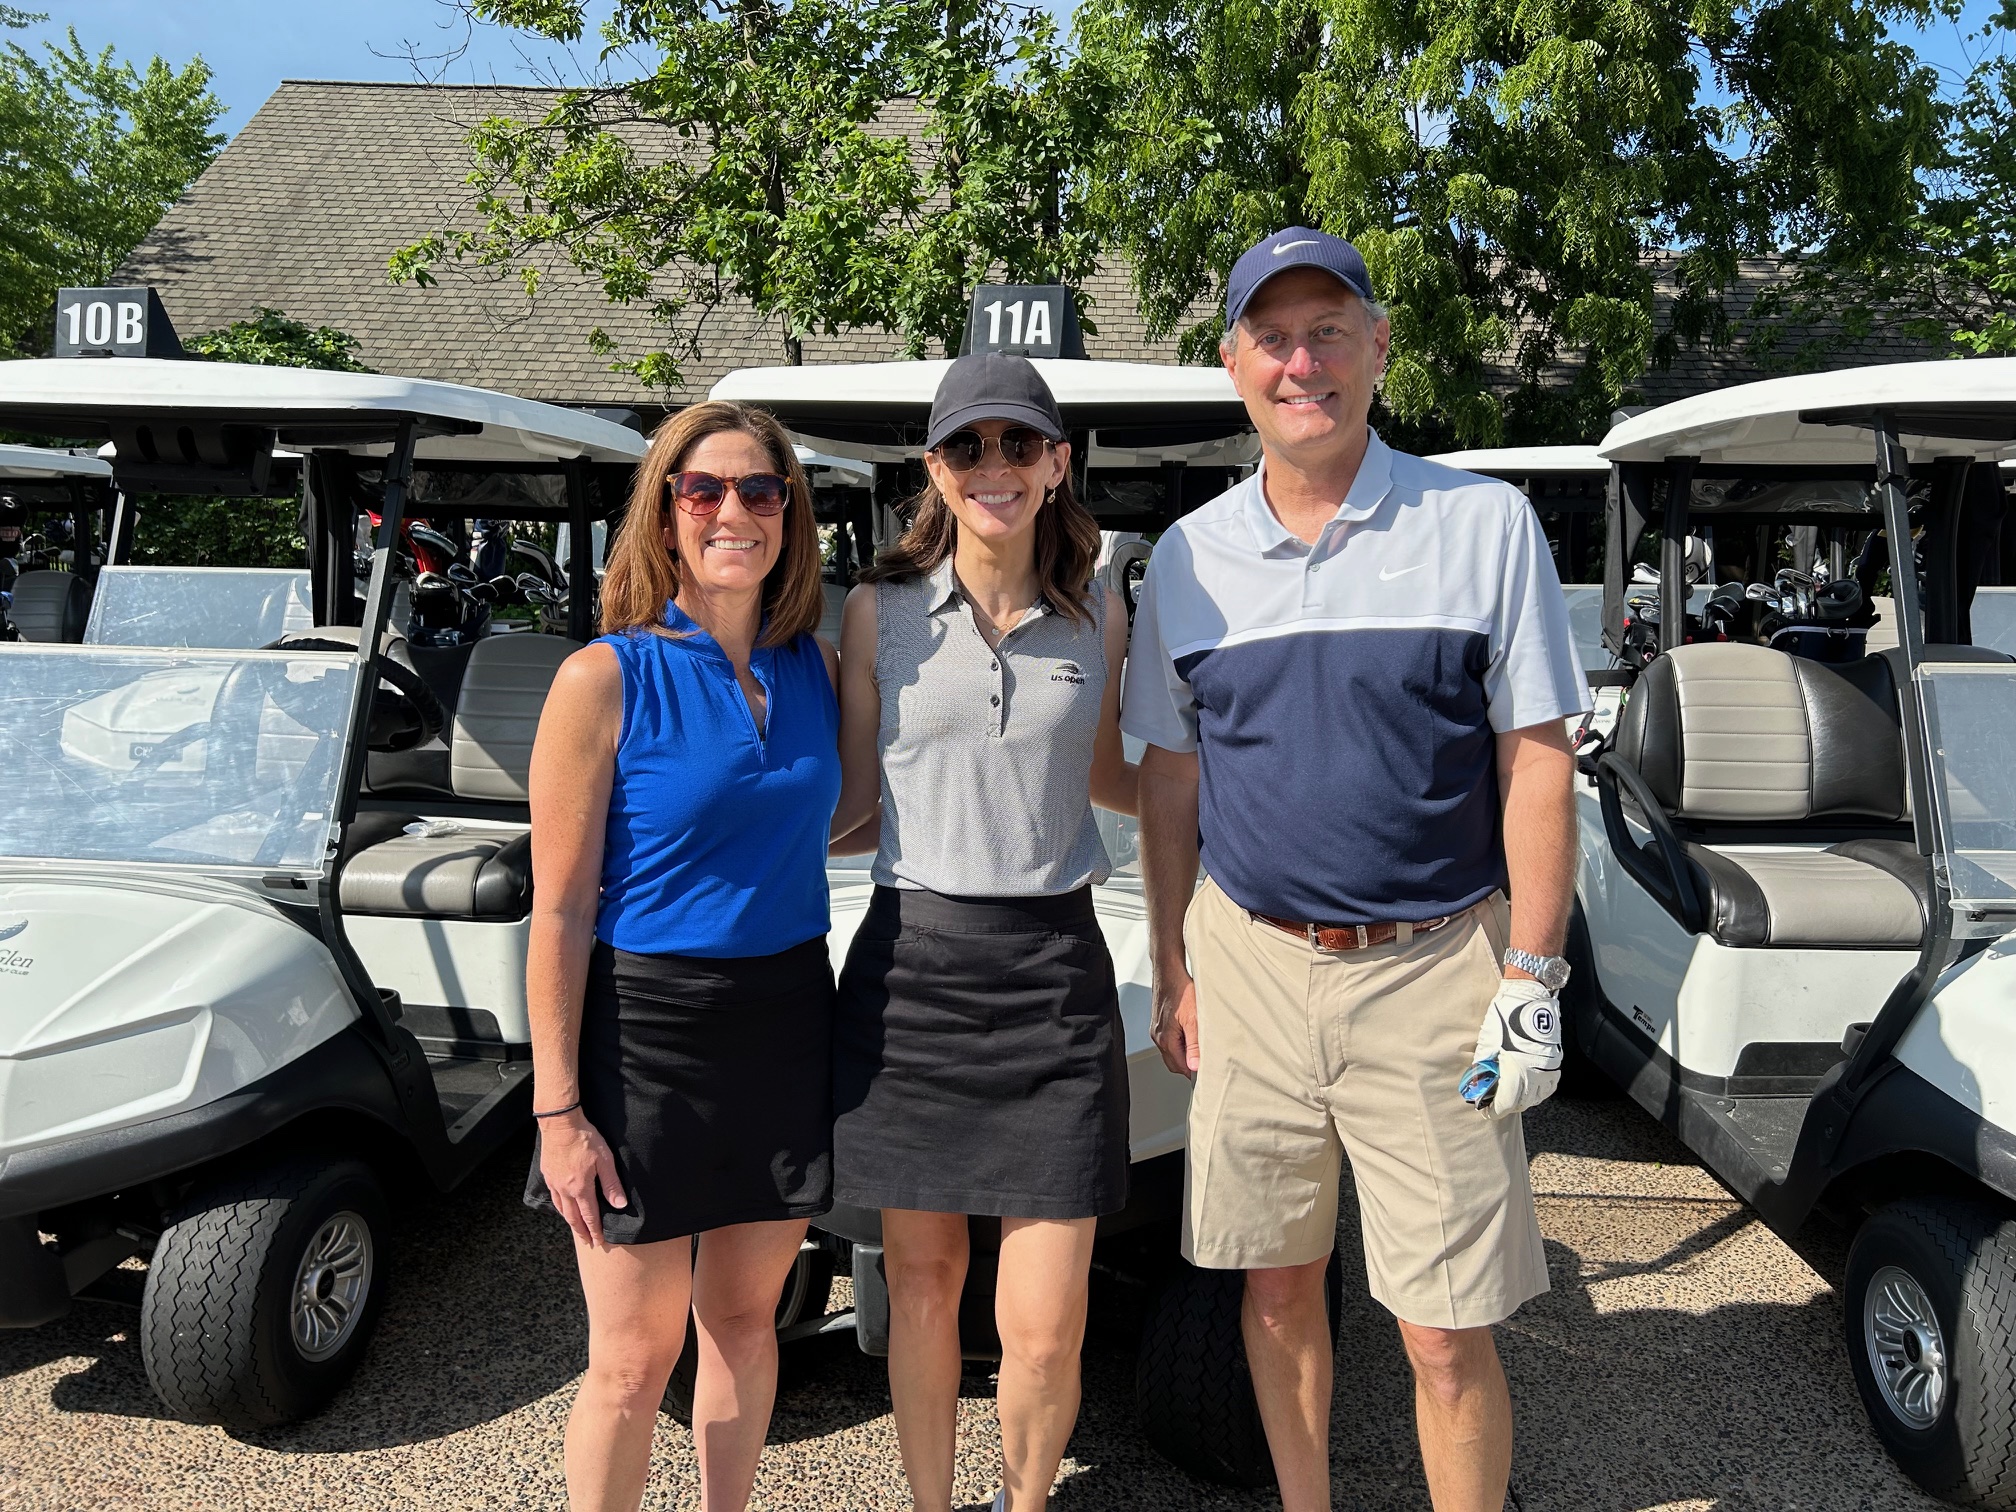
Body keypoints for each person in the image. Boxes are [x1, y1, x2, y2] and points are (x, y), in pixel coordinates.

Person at [1123, 229, 1587, 1512]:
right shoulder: (1187, 559)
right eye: (1272, 338)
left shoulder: (1482, 524)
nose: (1302, 362)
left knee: (1443, 1329)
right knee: (1275, 1290)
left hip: (1434, 969)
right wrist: (1174, 966)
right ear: (1234, 366)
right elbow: (1171, 780)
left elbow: (1537, 762)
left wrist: (1534, 974)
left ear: (1379, 347)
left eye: (1328, 331)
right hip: (1253, 967)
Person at [829, 353, 1139, 1512]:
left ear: (1058, 464)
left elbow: (1107, 775)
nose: (992, 465)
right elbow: (851, 808)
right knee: (921, 1289)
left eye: (1018, 443)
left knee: (1045, 1330)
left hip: (1056, 978)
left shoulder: (1102, 611)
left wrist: (1235, 804)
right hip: (910, 976)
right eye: (967, 445)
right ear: (935, 467)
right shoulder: (879, 613)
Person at [523, 401, 841, 1512]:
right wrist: (558, 1114)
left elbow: (838, 820)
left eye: (760, 490)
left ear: (790, 515)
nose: (732, 512)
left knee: (746, 1323)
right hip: (644, 1034)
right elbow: (558, 913)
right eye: (702, 490)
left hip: (788, 1019)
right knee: (630, 1359)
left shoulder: (815, 668)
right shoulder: (603, 678)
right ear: (665, 516)